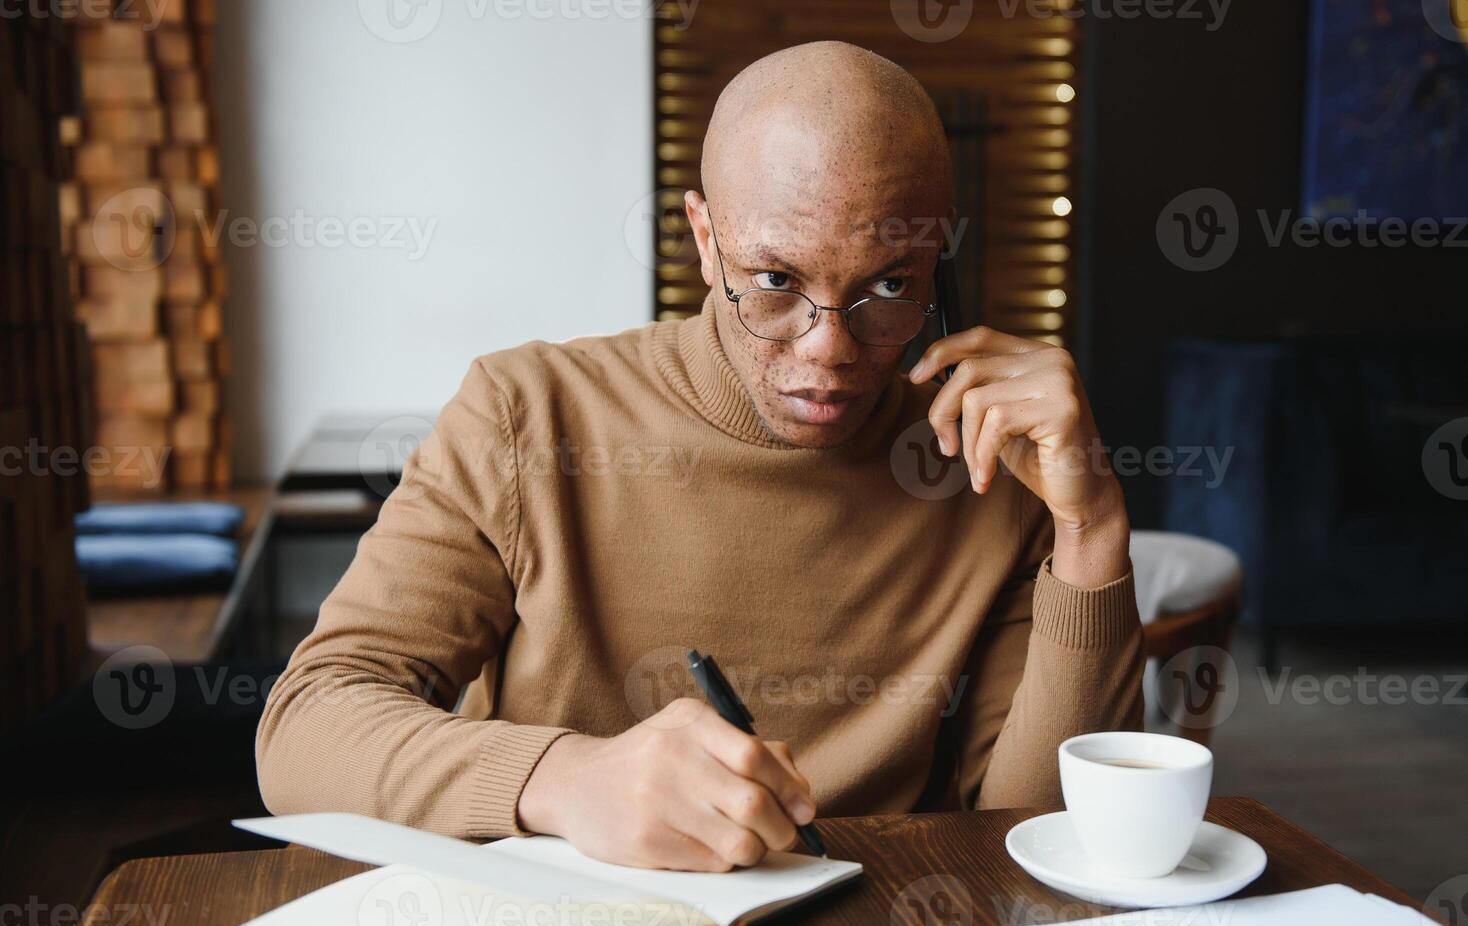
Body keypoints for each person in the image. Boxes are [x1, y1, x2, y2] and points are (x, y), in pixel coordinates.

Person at [256, 41, 1143, 873]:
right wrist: (568, 782)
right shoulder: (526, 416)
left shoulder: (985, 458)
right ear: (706, 237)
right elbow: (304, 732)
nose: (828, 351)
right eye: (775, 281)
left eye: (888, 285)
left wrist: (1092, 531)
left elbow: (1038, 840)